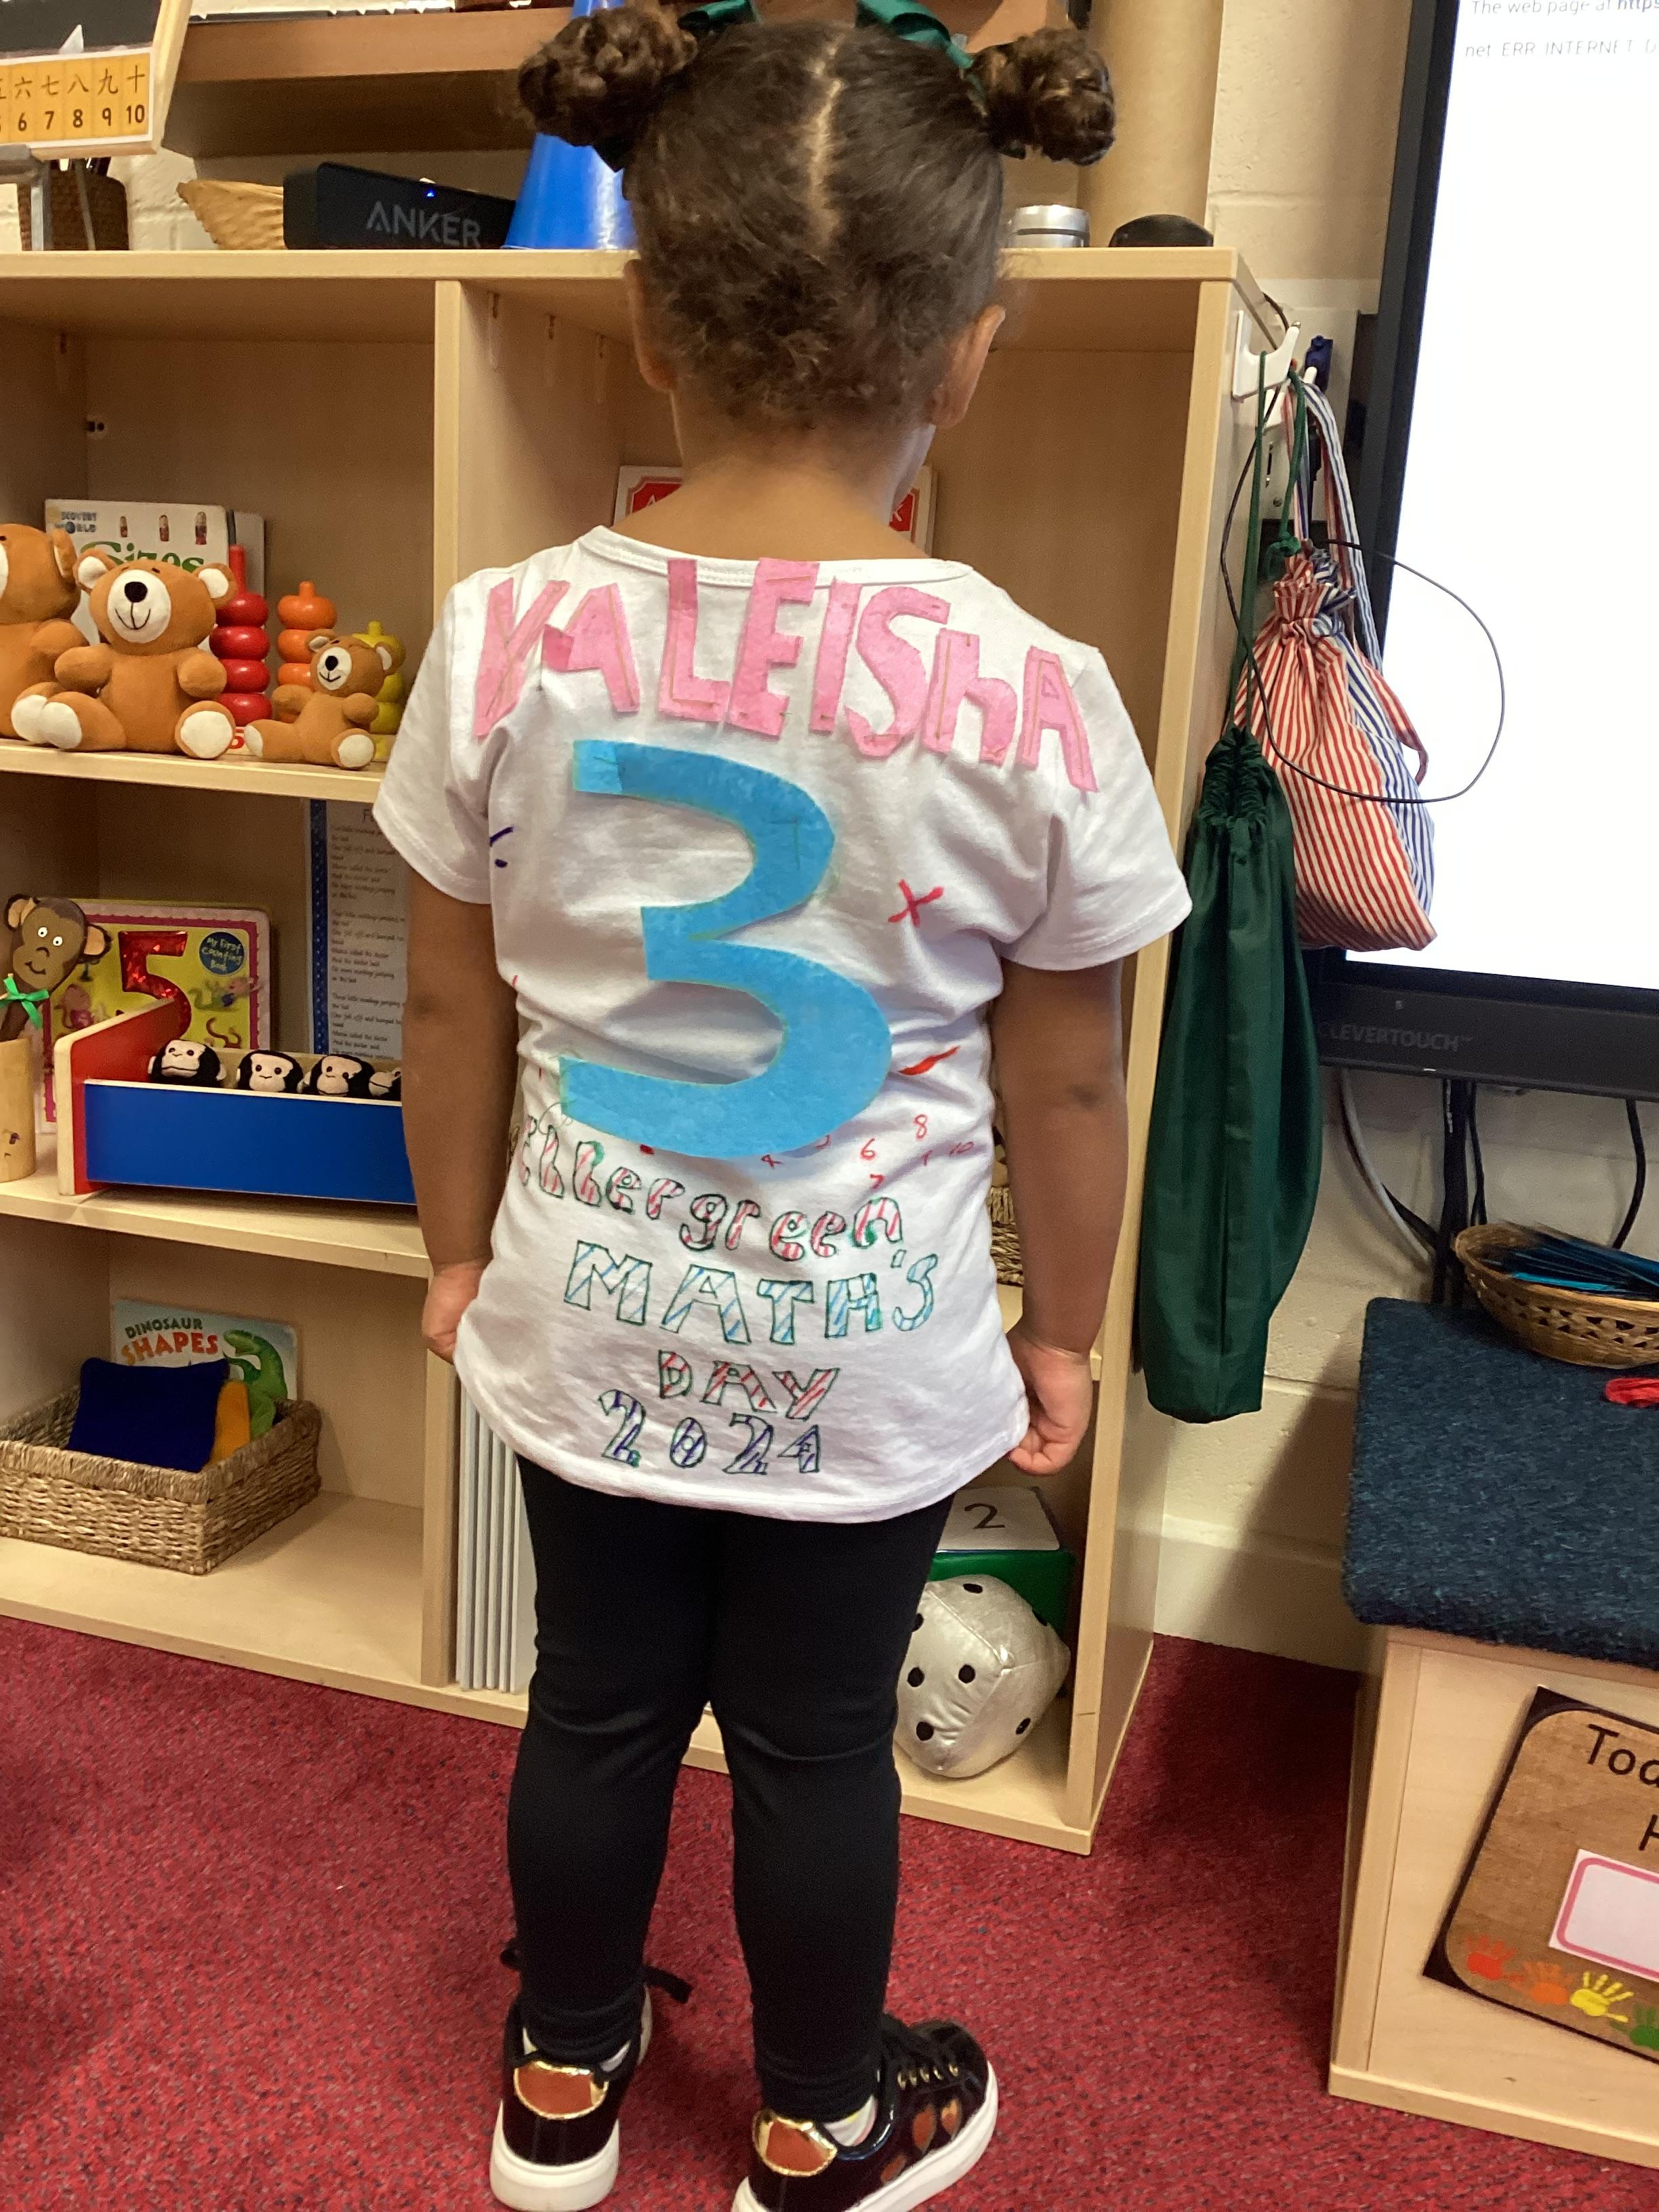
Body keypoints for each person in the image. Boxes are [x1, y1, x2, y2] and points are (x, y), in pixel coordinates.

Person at [374, 4, 1189, 2205]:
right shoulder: (1040, 693)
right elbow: (1073, 1073)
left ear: (649, 322)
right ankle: (820, 2121)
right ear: (972, 352)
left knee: (595, 1701)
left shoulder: (501, 635)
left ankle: (564, 2079)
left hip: (590, 1310)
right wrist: (1065, 1334)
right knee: (821, 1742)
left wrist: (453, 1256)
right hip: (870, 1343)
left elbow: (448, 1002)